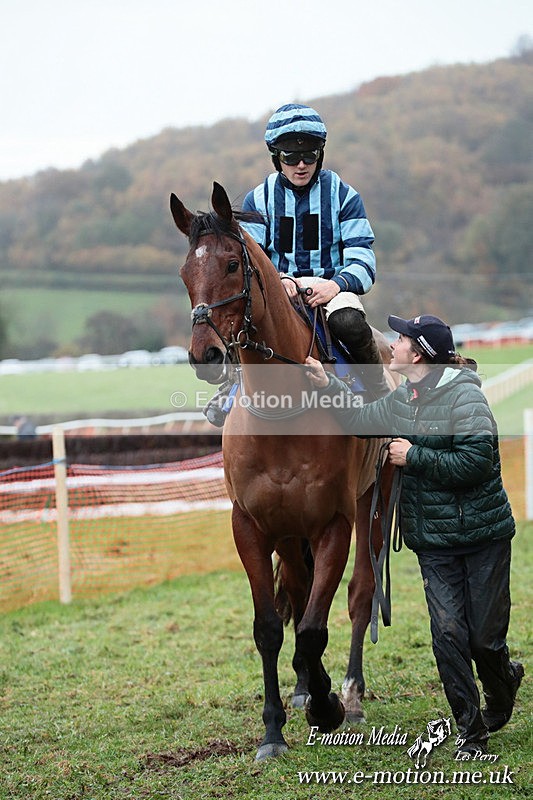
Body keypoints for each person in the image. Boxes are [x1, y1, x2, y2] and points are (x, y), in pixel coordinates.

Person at [305, 313, 523, 757]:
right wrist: (327, 385)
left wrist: (414, 455)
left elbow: (478, 462)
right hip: (434, 544)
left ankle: (504, 683)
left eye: (401, 339)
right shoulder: (403, 396)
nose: (393, 345)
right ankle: (471, 732)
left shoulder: (467, 399)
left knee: (483, 640)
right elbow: (360, 418)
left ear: (418, 353)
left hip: (484, 538)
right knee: (447, 636)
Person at [204, 102, 387, 427]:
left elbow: (363, 258)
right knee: (239, 316)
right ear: (277, 157)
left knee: (349, 322)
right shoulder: (258, 200)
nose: (301, 164)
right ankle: (231, 385)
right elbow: (252, 261)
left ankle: (378, 391)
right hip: (278, 292)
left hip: (332, 291)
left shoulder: (344, 196)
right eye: (290, 157)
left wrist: (336, 285)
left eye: (310, 156)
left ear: (321, 154)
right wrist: (281, 280)